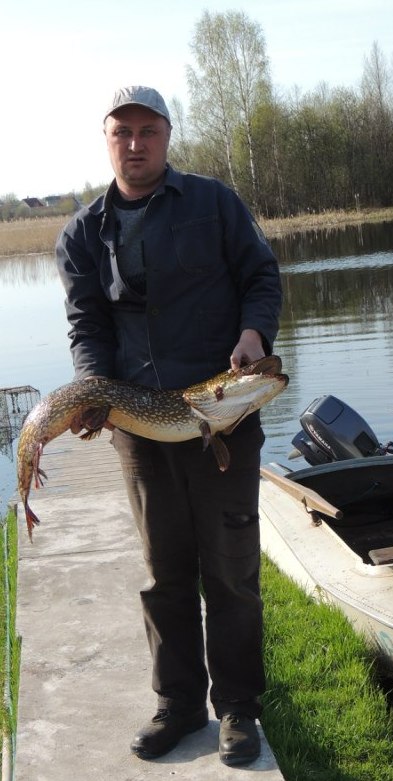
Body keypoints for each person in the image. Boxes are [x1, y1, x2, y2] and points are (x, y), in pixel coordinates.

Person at [55, 85, 282, 766]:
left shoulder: (214, 203)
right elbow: (87, 325)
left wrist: (253, 333)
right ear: (107, 140)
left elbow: (261, 276)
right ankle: (178, 704)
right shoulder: (81, 234)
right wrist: (93, 388)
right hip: (140, 426)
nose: (135, 143)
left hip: (222, 413)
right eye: (122, 132)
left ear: (167, 136)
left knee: (232, 574)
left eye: (147, 130)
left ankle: (238, 708)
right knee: (164, 574)